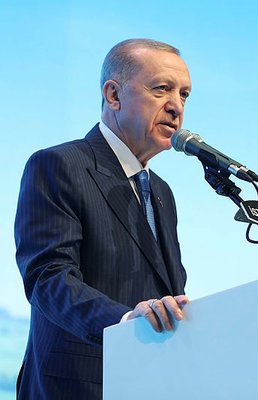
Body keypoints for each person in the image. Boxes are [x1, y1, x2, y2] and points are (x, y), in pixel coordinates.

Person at [14, 38, 191, 399]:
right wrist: (124, 324)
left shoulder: (161, 191)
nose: (176, 106)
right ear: (113, 95)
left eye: (184, 94)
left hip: (147, 387)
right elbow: (49, 278)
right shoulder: (59, 165)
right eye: (162, 89)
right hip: (76, 385)